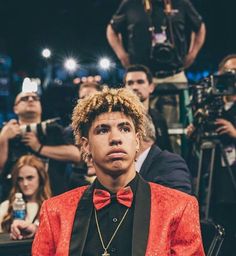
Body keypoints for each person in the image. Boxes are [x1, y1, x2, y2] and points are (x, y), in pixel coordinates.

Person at [32, 87, 205, 255]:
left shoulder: (179, 207)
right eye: (103, 130)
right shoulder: (54, 211)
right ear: (86, 145)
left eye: (124, 129)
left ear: (137, 141)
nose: (115, 138)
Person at [107, 0, 206, 126]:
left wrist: (193, 54)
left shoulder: (181, 3)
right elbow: (111, 29)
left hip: (174, 75)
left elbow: (200, 26)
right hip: (142, 78)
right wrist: (122, 55)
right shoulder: (130, 4)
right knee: (139, 126)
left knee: (176, 130)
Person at [187, 54, 236, 255]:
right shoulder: (210, 106)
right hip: (214, 181)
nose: (232, 76)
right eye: (228, 72)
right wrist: (195, 133)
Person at [0, 91, 81, 199]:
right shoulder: (6, 132)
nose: (30, 100)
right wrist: (3, 138)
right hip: (15, 202)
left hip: (54, 198)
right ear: (15, 109)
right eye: (24, 98)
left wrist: (39, 148)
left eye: (35, 98)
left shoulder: (53, 129)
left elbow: (76, 155)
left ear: (40, 107)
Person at [137, 114, 192, 194]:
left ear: (140, 134)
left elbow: (179, 203)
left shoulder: (170, 164)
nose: (115, 138)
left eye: (125, 130)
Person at [0, 155, 51, 240]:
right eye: (20, 179)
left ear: (41, 178)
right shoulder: (6, 206)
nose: (25, 183)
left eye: (30, 178)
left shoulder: (51, 207)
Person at [124, 64, 172, 151]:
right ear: (125, 88)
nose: (134, 87)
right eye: (130, 83)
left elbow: (167, 151)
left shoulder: (159, 118)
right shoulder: (116, 119)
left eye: (140, 82)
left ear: (151, 87)